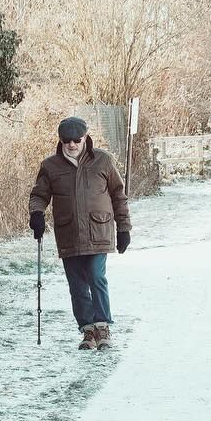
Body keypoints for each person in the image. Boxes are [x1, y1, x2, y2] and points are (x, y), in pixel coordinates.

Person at [29, 116, 132, 350]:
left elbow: (118, 196)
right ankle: (87, 331)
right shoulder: (50, 166)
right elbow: (39, 195)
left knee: (96, 277)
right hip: (69, 234)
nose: (72, 145)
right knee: (77, 285)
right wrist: (36, 214)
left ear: (85, 138)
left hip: (99, 231)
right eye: (67, 141)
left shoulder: (103, 161)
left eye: (77, 140)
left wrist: (124, 228)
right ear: (61, 141)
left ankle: (102, 326)